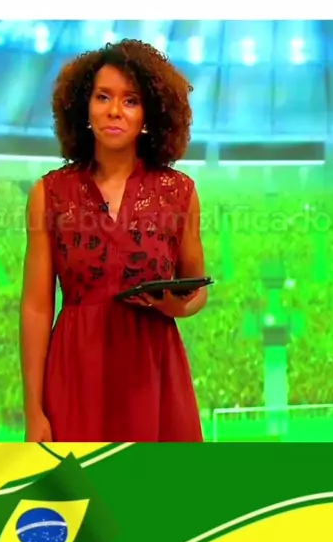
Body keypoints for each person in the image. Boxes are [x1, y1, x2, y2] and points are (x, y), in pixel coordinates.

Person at [20, 38, 208, 443]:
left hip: (154, 372)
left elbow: (198, 289)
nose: (114, 110)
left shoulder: (180, 192)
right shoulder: (49, 194)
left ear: (150, 114)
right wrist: (33, 411)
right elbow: (36, 307)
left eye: (131, 100)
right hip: (75, 374)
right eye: (103, 96)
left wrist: (177, 306)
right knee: (79, 485)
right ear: (84, 107)